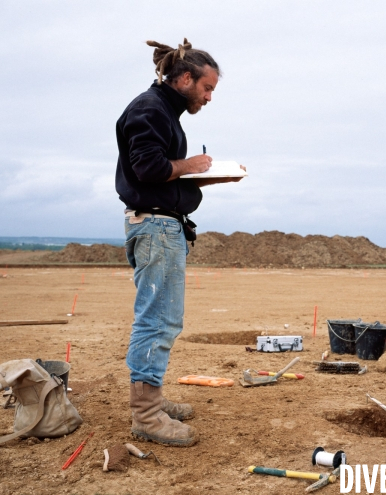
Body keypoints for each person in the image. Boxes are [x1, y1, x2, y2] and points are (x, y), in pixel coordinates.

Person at [115, 38, 244, 447]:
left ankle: (152, 400)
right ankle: (147, 416)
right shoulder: (149, 110)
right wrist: (193, 165)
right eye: (207, 88)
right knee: (157, 320)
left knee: (160, 317)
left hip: (160, 225)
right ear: (185, 78)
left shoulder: (161, 112)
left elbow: (155, 170)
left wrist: (206, 176)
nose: (208, 98)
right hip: (155, 228)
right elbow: (148, 167)